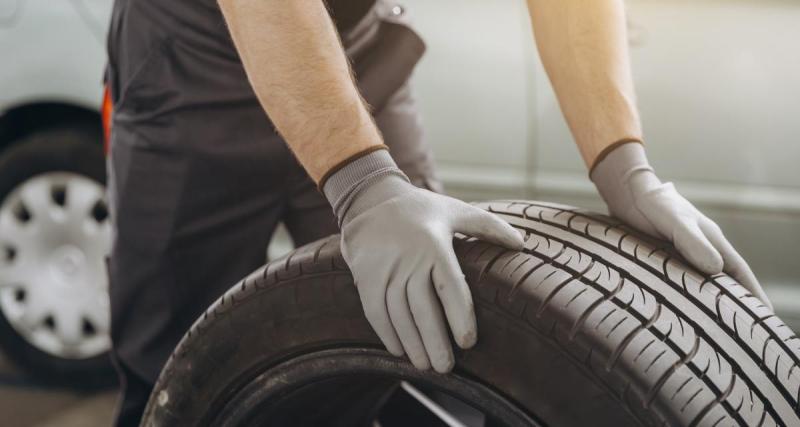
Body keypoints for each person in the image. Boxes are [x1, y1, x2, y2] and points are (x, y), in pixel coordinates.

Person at [104, 0, 772, 424]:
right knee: (171, 375)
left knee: (438, 324)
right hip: (192, 58)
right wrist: (364, 183)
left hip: (352, 48)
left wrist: (622, 162)